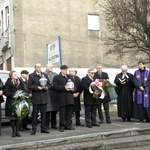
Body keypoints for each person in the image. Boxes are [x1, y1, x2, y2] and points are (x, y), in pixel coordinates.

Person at [28, 62, 50, 135]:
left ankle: (43, 128)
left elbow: (49, 84)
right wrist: (37, 88)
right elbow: (30, 86)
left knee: (44, 114)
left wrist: (47, 87)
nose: (39, 68)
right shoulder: (31, 76)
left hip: (43, 98)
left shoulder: (44, 75)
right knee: (35, 115)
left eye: (40, 67)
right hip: (36, 98)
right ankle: (34, 129)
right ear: (35, 68)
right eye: (38, 67)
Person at [53, 65, 74, 132]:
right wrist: (64, 87)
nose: (65, 71)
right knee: (62, 113)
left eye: (66, 69)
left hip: (69, 97)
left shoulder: (69, 76)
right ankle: (62, 126)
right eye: (64, 69)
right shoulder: (57, 77)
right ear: (61, 70)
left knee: (69, 113)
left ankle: (68, 125)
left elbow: (74, 85)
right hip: (62, 97)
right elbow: (55, 86)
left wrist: (73, 89)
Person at [4, 71, 24, 137]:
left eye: (16, 74)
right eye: (14, 74)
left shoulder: (20, 81)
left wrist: (21, 94)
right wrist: (14, 95)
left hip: (19, 101)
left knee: (18, 117)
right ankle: (13, 131)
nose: (16, 75)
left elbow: (23, 89)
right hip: (11, 102)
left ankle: (17, 131)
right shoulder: (8, 82)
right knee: (12, 118)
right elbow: (6, 92)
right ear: (11, 76)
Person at [44, 64, 59, 129]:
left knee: (54, 110)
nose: (51, 68)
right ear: (46, 67)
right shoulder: (43, 74)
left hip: (54, 94)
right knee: (47, 111)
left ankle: (54, 124)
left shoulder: (55, 74)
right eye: (50, 66)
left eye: (52, 67)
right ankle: (46, 125)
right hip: (46, 94)